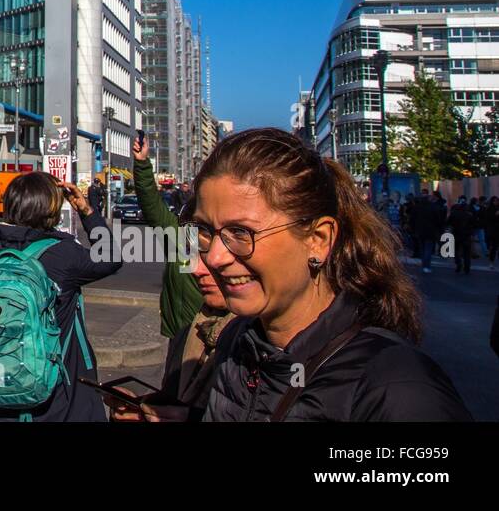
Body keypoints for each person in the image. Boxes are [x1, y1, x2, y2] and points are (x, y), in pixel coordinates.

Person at [196, 128, 471, 421]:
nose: (214, 257)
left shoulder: (398, 388)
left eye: (240, 232)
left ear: (318, 240)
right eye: (204, 231)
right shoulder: (237, 342)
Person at [0, 171, 119, 421]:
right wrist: (86, 211)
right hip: (58, 400)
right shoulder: (63, 254)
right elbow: (110, 258)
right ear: (50, 210)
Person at [112, 199, 234, 422]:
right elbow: (174, 399)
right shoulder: (188, 334)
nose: (195, 269)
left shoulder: (261, 346)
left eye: (209, 254)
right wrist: (145, 411)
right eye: (192, 252)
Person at [130, 135, 201, 339]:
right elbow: (151, 204)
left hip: (210, 341)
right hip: (177, 335)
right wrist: (142, 163)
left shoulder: (226, 244)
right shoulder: (181, 236)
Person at [447, 197, 476, 275]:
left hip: (456, 234)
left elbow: (448, 223)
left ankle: (458, 263)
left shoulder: (454, 213)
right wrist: (471, 233)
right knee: (467, 252)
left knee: (456, 250)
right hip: (466, 235)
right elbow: (473, 225)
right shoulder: (469, 215)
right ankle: (467, 267)